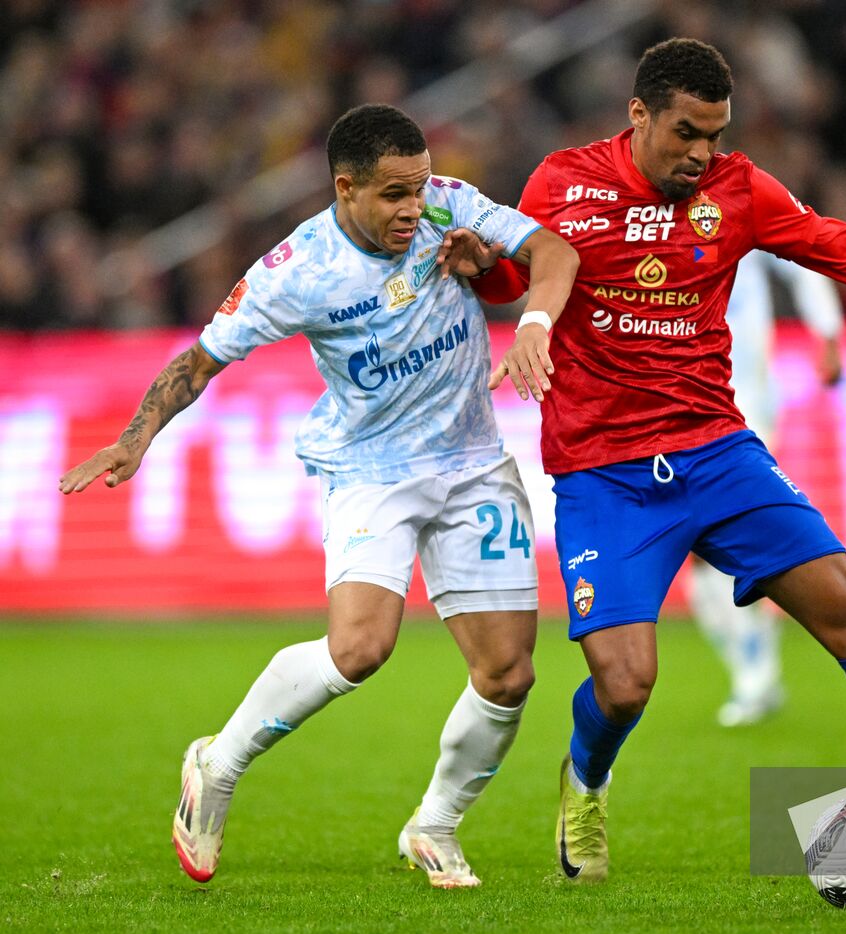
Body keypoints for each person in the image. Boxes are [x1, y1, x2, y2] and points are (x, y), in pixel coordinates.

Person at [468, 37, 846, 885]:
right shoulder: (562, 182)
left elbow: (841, 246)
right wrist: (478, 268)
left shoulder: (738, 189)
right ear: (638, 116)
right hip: (605, 471)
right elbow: (511, 276)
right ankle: (586, 779)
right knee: (626, 683)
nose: (703, 153)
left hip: (718, 452)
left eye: (716, 134)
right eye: (686, 133)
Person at [58, 104, 579, 890]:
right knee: (361, 648)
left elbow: (550, 249)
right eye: (395, 195)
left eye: (420, 187)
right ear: (346, 188)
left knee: (509, 674)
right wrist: (138, 436)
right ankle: (218, 763)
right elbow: (200, 361)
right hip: (372, 467)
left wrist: (533, 320)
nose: (416, 209)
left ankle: (434, 825)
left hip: (473, 461)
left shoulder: (448, 202)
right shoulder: (296, 270)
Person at [690, 250, 844, 727]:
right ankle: (755, 666)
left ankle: (755, 674)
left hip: (742, 407)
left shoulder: (739, 203)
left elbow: (806, 259)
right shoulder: (649, 215)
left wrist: (830, 335)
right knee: (702, 559)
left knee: (715, 546)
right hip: (678, 407)